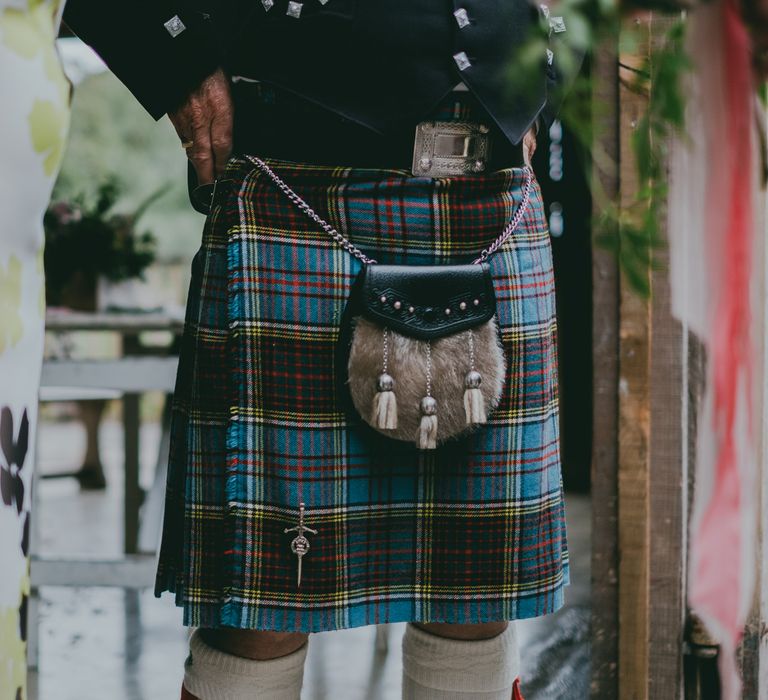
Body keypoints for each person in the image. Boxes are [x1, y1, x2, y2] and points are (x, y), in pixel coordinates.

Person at [62, 2, 578, 698]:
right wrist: (169, 54)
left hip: (490, 192)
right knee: (262, 605)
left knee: (478, 591)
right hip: (295, 178)